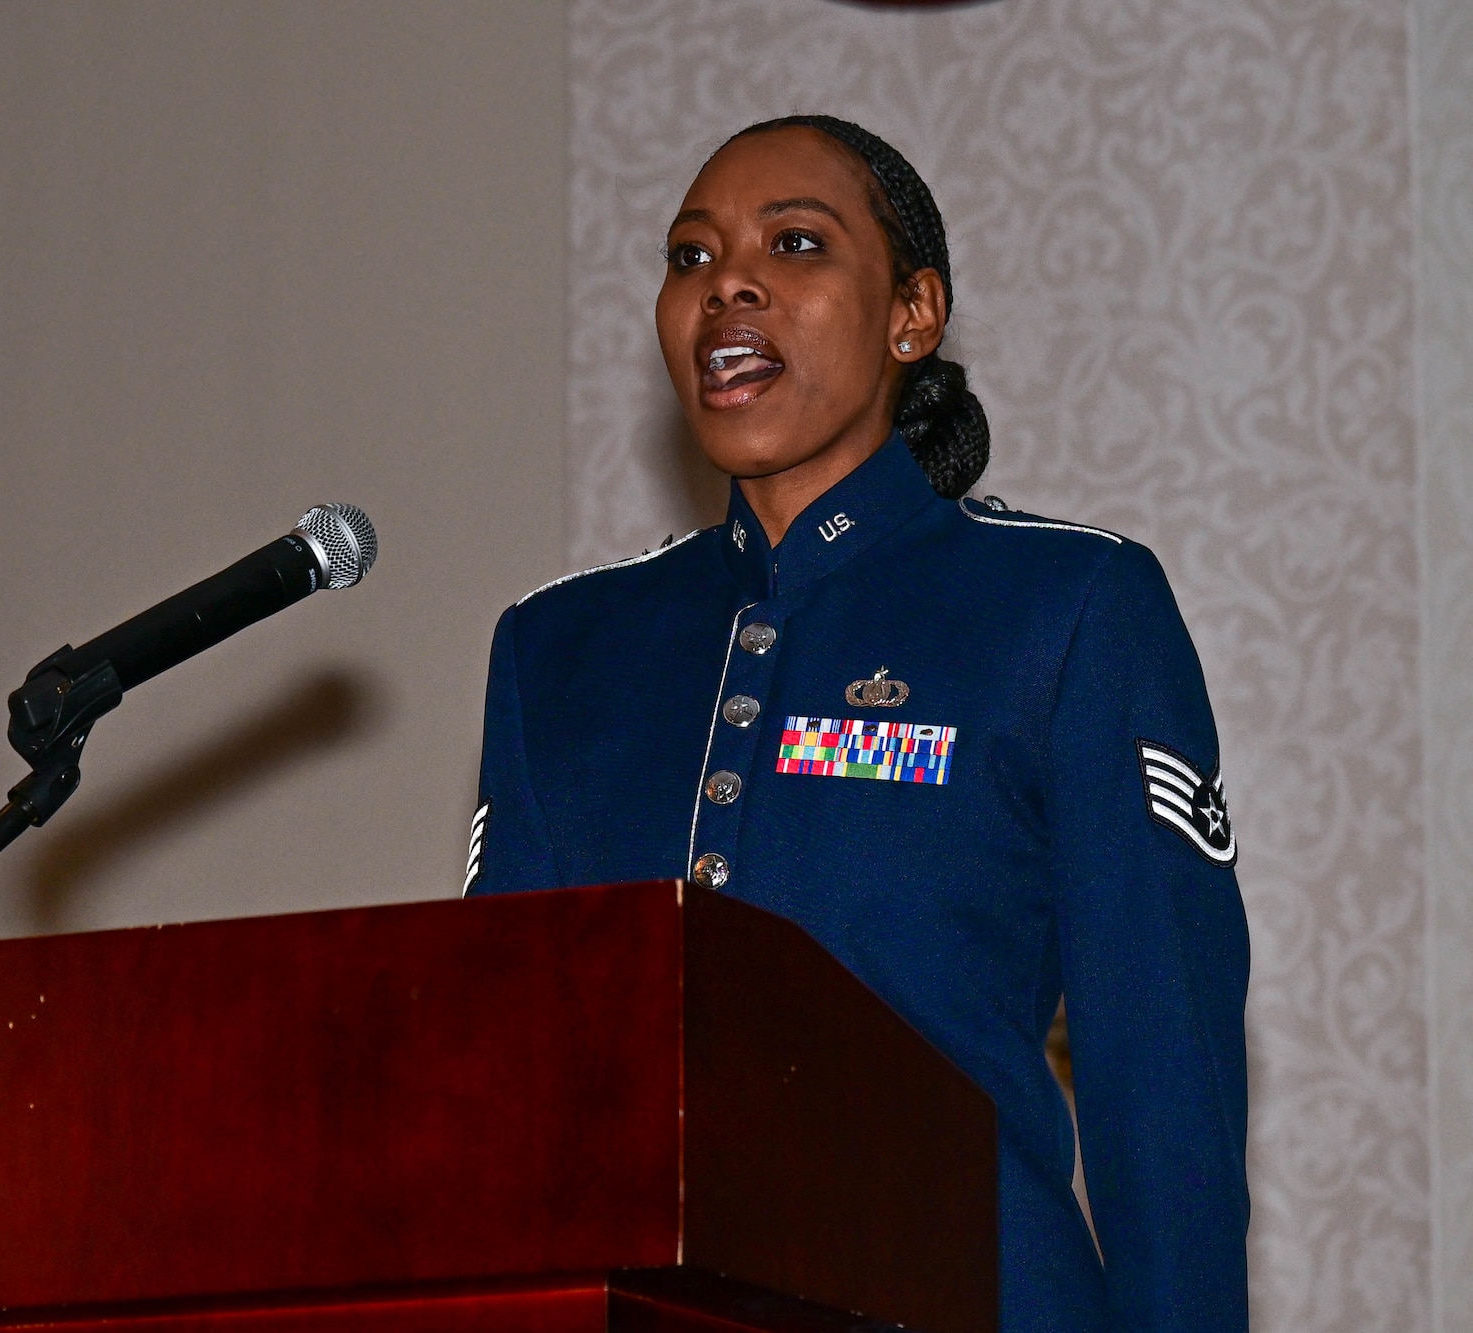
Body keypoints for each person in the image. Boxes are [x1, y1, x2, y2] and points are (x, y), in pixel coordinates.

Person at [464, 116, 1250, 1333]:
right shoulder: (558, 648)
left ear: (911, 313)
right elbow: (493, 1094)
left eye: (793, 243)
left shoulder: (1065, 605)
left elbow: (1161, 1082)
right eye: (688, 258)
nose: (725, 283)